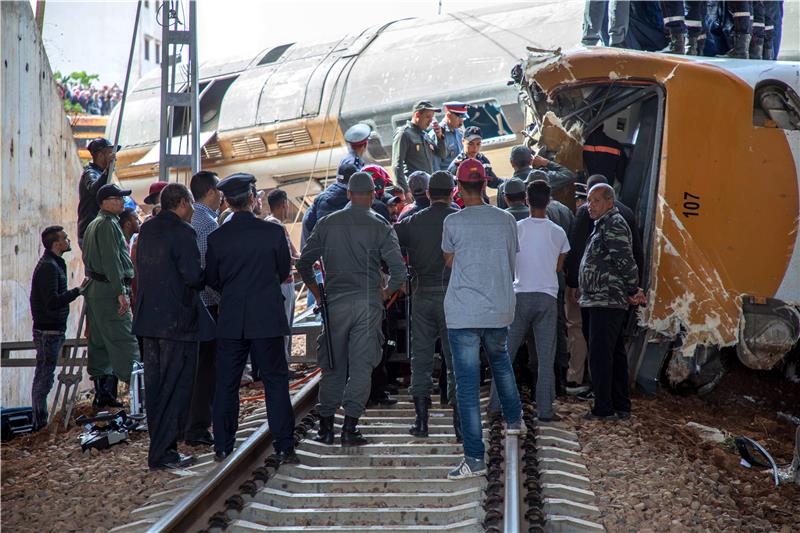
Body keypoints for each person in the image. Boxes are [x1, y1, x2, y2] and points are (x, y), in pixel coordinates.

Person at [297, 172, 405, 447]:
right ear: (371, 196)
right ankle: (349, 429)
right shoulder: (380, 225)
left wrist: (317, 294)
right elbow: (398, 271)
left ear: (348, 194)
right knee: (361, 366)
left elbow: (304, 263)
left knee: (333, 364)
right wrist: (384, 293)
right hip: (368, 304)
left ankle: (325, 429)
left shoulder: (327, 223)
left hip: (334, 304)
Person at [205, 173, 297, 463]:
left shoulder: (216, 238)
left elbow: (212, 279)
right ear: (251, 199)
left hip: (232, 319)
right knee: (275, 381)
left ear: (229, 203)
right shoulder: (272, 233)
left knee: (227, 384)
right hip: (267, 318)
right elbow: (284, 272)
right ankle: (283, 445)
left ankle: (222, 445)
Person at [442, 159, 523, 479]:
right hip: (499, 306)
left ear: (459, 189)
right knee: (501, 362)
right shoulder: (506, 220)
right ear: (486, 183)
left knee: (467, 384)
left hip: (464, 311)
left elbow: (449, 261)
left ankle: (475, 459)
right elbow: (510, 255)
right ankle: (515, 420)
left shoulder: (453, 222)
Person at [133, 183, 214, 470]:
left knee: (156, 391)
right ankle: (164, 454)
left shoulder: (148, 229)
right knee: (175, 388)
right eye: (190, 205)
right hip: (177, 325)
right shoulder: (183, 232)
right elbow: (192, 277)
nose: (192, 211)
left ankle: (159, 449)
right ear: (180, 203)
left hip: (148, 322)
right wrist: (211, 272)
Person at [394, 170, 460, 440]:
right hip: (454, 296)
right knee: (455, 359)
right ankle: (459, 425)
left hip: (421, 296)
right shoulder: (460, 219)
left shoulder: (412, 221)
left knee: (420, 359)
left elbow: (389, 242)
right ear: (453, 192)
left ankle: (421, 423)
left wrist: (399, 277)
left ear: (429, 194)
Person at [500, 180, 570, 422]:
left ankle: (496, 406)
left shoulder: (516, 229)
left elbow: (508, 262)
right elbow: (558, 266)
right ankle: (545, 410)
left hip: (519, 296)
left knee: (506, 354)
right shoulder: (558, 232)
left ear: (527, 200)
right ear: (549, 201)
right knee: (545, 357)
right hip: (547, 298)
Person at [579, 184, 645, 421]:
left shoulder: (614, 223)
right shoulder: (603, 224)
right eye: (588, 201)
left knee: (600, 355)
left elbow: (625, 261)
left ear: (609, 202)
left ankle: (604, 408)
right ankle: (620, 405)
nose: (590, 206)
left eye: (595, 201)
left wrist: (632, 288)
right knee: (614, 353)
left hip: (606, 300)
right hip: (600, 299)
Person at [82, 183, 141, 408]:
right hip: (110, 291)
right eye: (116, 198)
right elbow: (111, 261)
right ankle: (141, 399)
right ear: (105, 202)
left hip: (97, 291)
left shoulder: (93, 224)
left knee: (100, 346)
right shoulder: (108, 225)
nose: (121, 202)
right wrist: (120, 293)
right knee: (125, 342)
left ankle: (103, 396)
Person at [29, 226, 84, 431]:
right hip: (48, 331)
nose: (68, 241)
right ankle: (39, 424)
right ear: (56, 243)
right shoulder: (49, 267)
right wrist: (77, 291)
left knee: (44, 375)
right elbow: (52, 301)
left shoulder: (53, 264)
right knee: (44, 376)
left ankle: (39, 422)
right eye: (64, 238)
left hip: (51, 329)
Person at [186, 170, 222, 446]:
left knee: (193, 367)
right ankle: (200, 425)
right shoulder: (209, 224)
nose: (221, 197)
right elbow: (212, 269)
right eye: (219, 191)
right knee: (206, 368)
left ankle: (190, 423)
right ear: (210, 192)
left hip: (189, 304)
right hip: (208, 305)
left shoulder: (189, 220)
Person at [265, 188, 301, 369]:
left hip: (285, 283)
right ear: (283, 205)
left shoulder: (273, 225)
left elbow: (293, 254)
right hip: (282, 284)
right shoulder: (275, 226)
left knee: (286, 325)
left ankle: (284, 364)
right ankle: (283, 366)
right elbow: (287, 256)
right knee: (284, 326)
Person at [566, 183, 590, 394]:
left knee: (576, 326)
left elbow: (575, 250)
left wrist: (572, 282)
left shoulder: (583, 213)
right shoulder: (623, 212)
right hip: (608, 287)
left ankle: (575, 377)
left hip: (582, 283)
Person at [392, 101, 446, 196]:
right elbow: (397, 165)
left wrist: (439, 137)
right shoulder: (404, 134)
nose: (430, 121)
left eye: (432, 117)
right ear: (417, 115)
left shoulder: (424, 135)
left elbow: (442, 155)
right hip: (414, 190)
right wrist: (405, 191)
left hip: (428, 188)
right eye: (428, 117)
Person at [77, 138, 119, 247]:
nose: (114, 158)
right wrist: (107, 171)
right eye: (110, 154)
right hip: (91, 233)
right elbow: (93, 188)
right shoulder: (90, 173)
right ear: (100, 156)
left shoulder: (101, 173)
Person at [429, 101, 468, 171]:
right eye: (459, 118)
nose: (461, 122)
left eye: (463, 118)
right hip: (445, 178)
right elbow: (435, 166)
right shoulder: (437, 135)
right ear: (448, 115)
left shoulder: (459, 132)